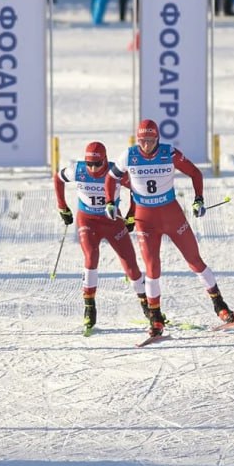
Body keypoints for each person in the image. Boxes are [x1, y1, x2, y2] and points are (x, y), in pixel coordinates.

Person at [103, 119, 234, 337]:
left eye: (150, 140)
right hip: (145, 218)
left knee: (194, 259)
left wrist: (198, 200)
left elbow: (195, 173)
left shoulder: (169, 153)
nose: (146, 145)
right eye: (142, 141)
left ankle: (220, 306)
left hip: (171, 214)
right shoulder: (129, 155)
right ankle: (155, 317)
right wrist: (110, 202)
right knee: (152, 267)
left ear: (157, 138)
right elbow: (111, 178)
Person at [53, 141, 150, 335]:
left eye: (97, 164)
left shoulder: (115, 172)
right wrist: (62, 206)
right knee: (91, 255)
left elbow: (136, 189)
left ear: (105, 160)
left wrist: (131, 213)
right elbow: (58, 178)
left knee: (130, 265)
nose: (93, 168)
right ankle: (89, 307)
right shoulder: (78, 170)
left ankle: (149, 308)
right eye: (89, 164)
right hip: (87, 220)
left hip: (112, 221)